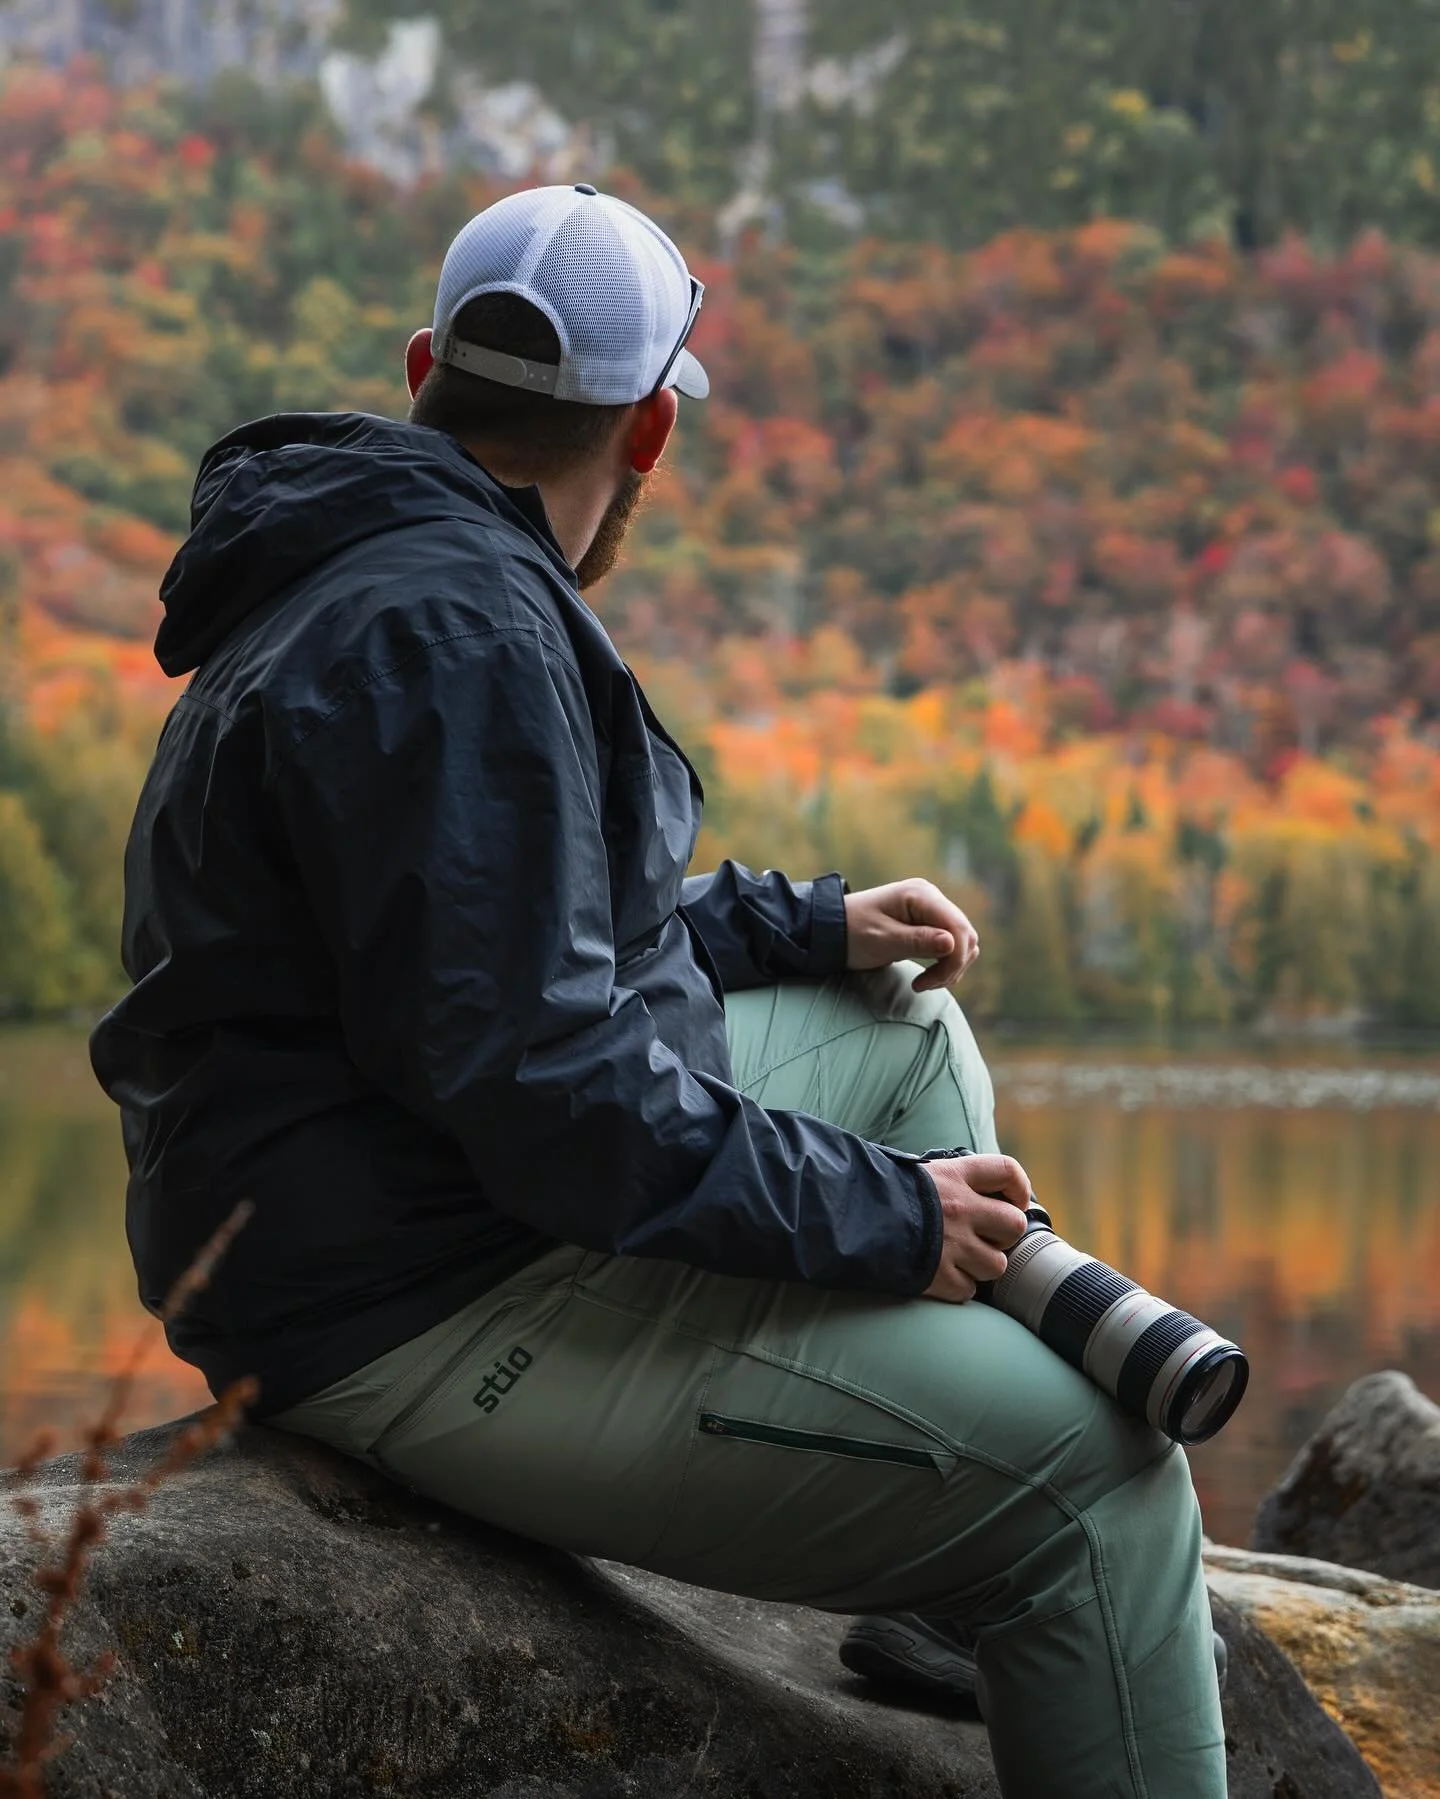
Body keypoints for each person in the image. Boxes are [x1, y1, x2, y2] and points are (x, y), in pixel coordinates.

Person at [90, 185, 1226, 1798]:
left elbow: (482, 932)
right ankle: (1025, 1559)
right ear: (646, 435)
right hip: (419, 1295)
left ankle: (934, 1592)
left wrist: (804, 922)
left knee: (896, 1027)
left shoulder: (373, 566)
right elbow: (550, 1087)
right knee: (1105, 1480)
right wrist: (895, 1216)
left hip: (377, 1196)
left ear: (426, 364)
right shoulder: (457, 628)